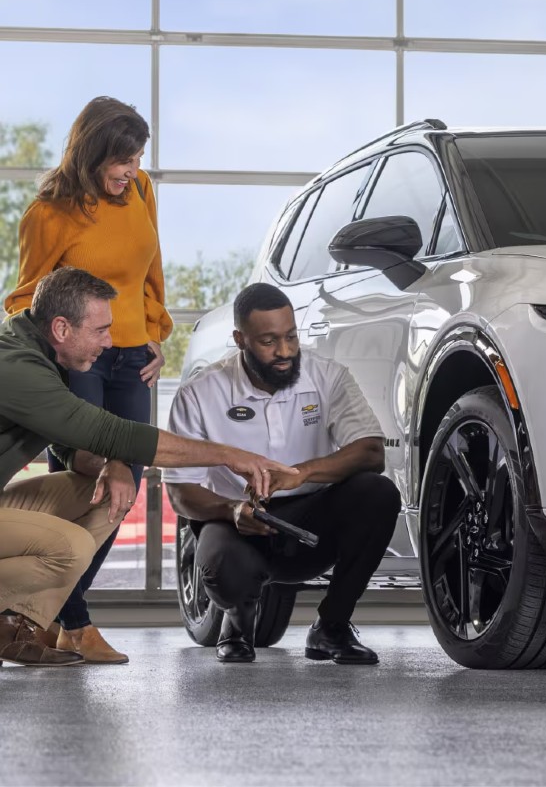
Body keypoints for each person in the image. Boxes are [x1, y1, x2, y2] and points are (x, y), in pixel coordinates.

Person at [0, 268, 296, 667]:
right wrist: (232, 455)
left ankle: (12, 626)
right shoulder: (18, 369)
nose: (109, 343)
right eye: (100, 330)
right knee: (70, 548)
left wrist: (114, 464)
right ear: (61, 328)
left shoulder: (41, 355)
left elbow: (73, 447)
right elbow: (110, 431)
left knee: (105, 496)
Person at [4, 96, 171, 663]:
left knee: (127, 481)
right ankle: (69, 620)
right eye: (122, 159)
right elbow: (26, 297)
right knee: (85, 475)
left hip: (132, 358)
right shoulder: (48, 214)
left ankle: (59, 622)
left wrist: (153, 331)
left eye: (138, 156)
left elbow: (152, 268)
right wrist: (72, 346)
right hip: (82, 356)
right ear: (94, 152)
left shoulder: (142, 190)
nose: (132, 169)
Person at [164, 283, 399, 665]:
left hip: (311, 520)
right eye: (269, 341)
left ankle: (332, 627)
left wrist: (302, 473)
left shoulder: (328, 376)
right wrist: (231, 510)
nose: (285, 352)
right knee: (225, 568)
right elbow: (180, 493)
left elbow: (371, 452)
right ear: (240, 339)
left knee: (379, 493)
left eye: (291, 337)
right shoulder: (200, 392)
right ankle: (237, 623)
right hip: (238, 521)